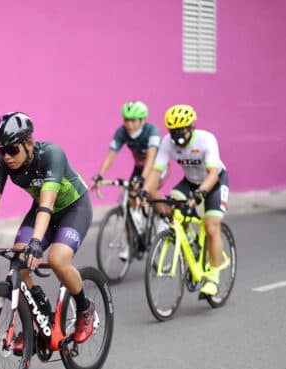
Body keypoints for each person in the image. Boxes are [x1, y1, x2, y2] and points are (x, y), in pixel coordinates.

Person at [0, 112, 95, 346]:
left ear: (29, 143)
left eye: (12, 150)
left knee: (58, 259)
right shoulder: (2, 161)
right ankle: (40, 319)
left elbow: (47, 203)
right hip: (42, 210)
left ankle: (85, 308)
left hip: (73, 208)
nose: (7, 157)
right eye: (1, 151)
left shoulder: (52, 154)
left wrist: (36, 242)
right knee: (19, 259)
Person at [141, 104, 229, 296]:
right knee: (171, 206)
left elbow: (213, 174)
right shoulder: (168, 142)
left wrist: (200, 195)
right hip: (189, 182)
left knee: (211, 226)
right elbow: (156, 171)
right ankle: (190, 240)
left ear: (191, 128)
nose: (177, 136)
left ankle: (213, 278)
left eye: (181, 131)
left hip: (214, 182)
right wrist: (144, 191)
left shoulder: (206, 140)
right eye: (173, 132)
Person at [90, 101, 168, 261]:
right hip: (139, 168)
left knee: (148, 189)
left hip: (156, 168)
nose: (129, 124)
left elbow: (152, 157)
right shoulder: (122, 132)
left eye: (133, 120)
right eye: (126, 120)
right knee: (127, 202)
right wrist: (99, 175)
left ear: (142, 120)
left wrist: (143, 180)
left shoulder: (152, 131)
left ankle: (163, 219)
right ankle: (130, 241)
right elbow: (111, 154)